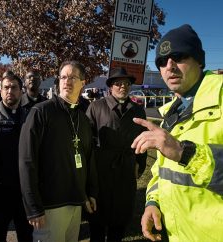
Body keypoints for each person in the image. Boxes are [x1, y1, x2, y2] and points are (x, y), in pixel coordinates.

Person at [131, 24, 223, 241]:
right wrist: (153, 202)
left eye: (179, 56)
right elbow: (162, 170)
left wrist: (186, 154)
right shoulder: (171, 112)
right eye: (161, 62)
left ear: (199, 60)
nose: (169, 66)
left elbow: (179, 155)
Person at [19, 60, 98, 242]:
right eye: (63, 77)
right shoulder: (41, 112)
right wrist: (33, 207)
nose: (66, 81)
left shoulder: (82, 118)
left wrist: (90, 192)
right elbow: (26, 161)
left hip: (76, 203)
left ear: (83, 83)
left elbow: (88, 158)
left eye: (72, 77)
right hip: (49, 206)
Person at [86, 68, 147, 242]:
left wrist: (139, 165)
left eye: (127, 84)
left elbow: (144, 139)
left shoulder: (137, 110)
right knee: (97, 224)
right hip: (101, 171)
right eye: (118, 83)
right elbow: (87, 141)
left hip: (126, 171)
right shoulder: (96, 107)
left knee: (119, 224)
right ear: (110, 87)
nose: (123, 87)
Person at [0, 71, 33, 242]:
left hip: (24, 192)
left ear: (21, 91)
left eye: (14, 87)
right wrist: (2, 174)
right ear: (0, 91)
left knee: (26, 234)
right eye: (6, 88)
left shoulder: (31, 117)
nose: (10, 91)